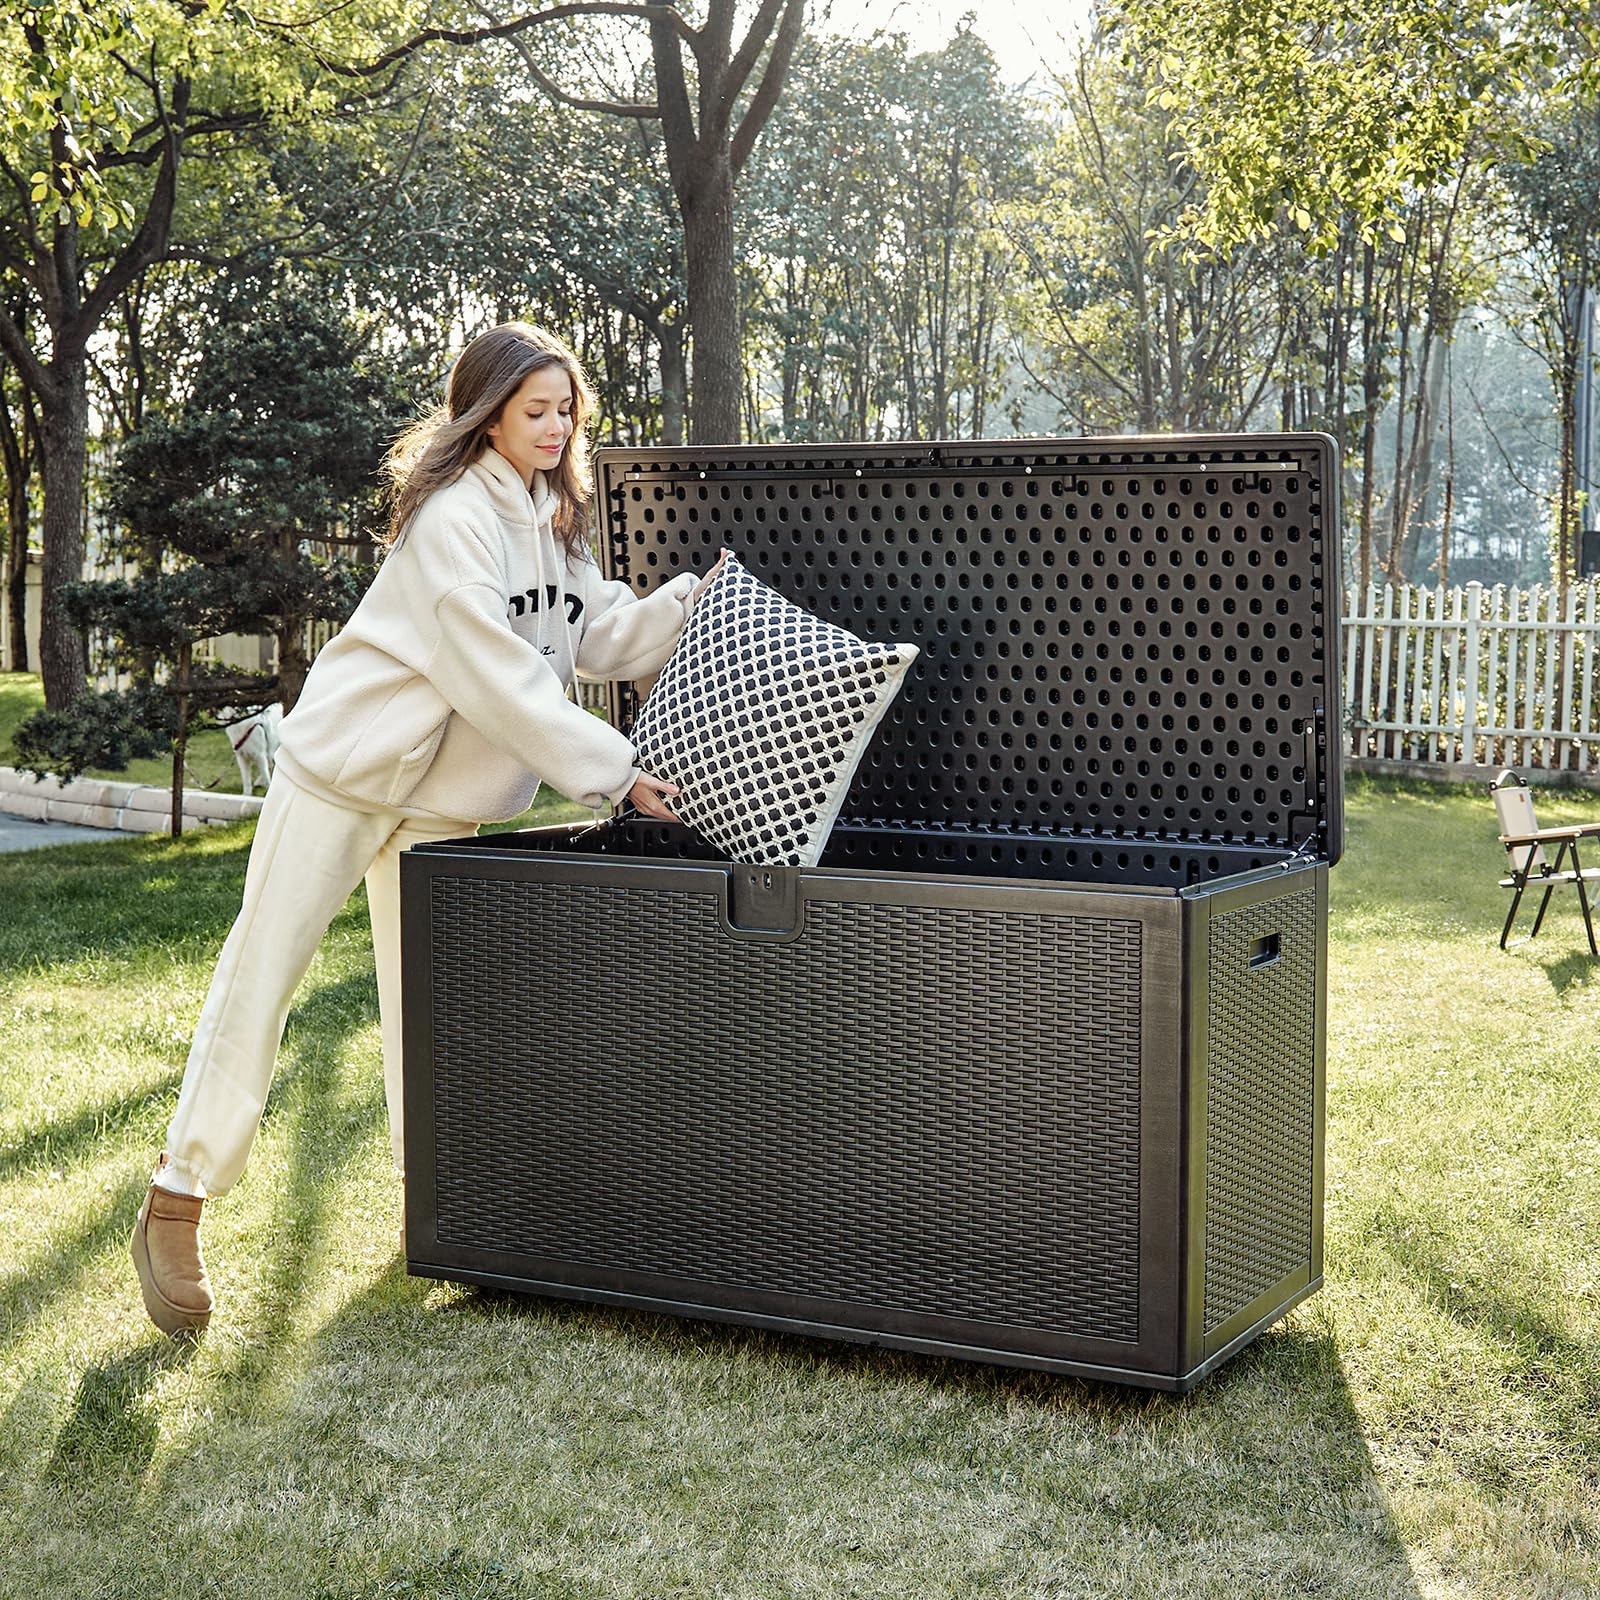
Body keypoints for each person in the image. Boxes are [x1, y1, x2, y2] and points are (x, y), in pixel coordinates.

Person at [130, 321, 724, 1335]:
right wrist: (617, 775)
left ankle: (436, 1209)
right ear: (486, 414)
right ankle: (177, 1196)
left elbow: (597, 635)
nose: (554, 424)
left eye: (565, 408)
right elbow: (494, 677)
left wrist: (693, 601)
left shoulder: (553, 521)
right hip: (346, 772)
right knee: (262, 975)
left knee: (434, 1009)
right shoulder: (453, 521)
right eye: (534, 409)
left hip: (440, 803)